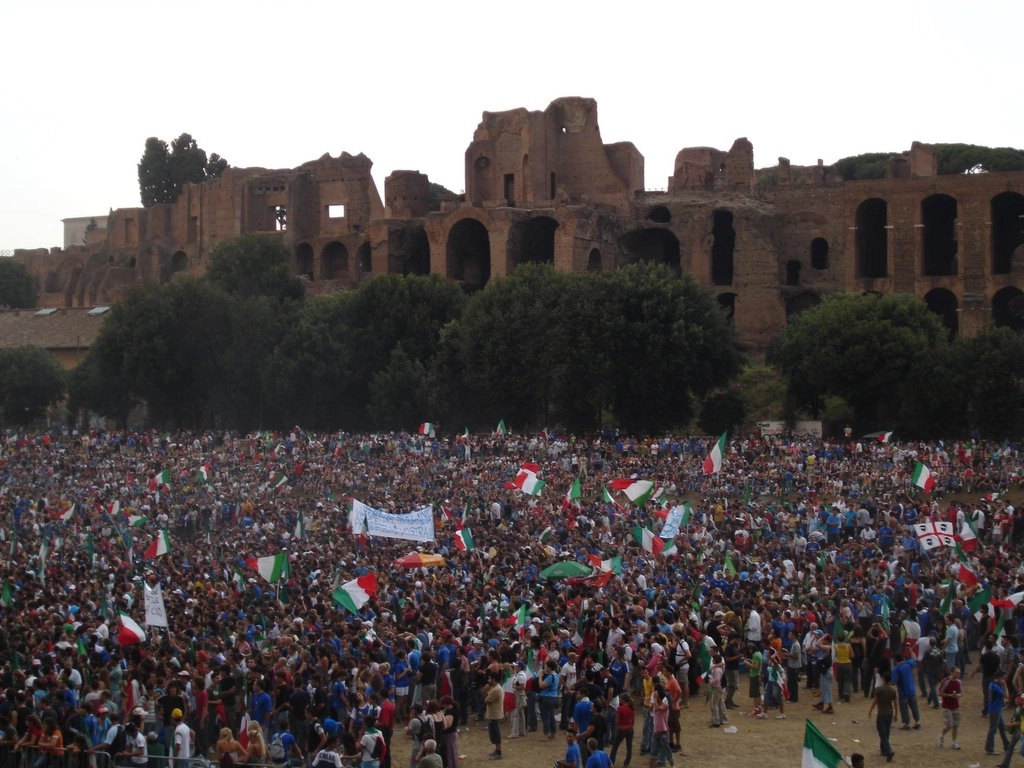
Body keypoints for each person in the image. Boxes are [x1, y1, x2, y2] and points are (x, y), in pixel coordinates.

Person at [868, 666, 897, 763]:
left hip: (881, 713)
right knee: (886, 732)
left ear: (883, 678)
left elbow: (875, 701)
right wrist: (896, 714)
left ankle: (888, 750)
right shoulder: (893, 690)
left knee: (882, 734)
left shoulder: (879, 689)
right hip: (890, 712)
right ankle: (884, 750)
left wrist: (870, 711)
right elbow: (895, 703)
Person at [890, 654, 920, 730]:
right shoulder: (908, 663)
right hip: (912, 689)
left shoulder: (896, 669)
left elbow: (893, 681)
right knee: (914, 707)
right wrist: (910, 650)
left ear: (895, 660)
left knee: (904, 708)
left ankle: (906, 724)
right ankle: (917, 722)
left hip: (903, 691)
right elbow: (914, 659)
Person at [937, 666, 962, 750]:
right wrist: (949, 695)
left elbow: (961, 693)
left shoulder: (958, 682)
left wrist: (957, 696)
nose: (958, 675)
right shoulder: (946, 681)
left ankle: (954, 742)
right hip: (947, 706)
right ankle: (942, 735)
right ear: (952, 673)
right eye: (956, 673)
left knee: (955, 725)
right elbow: (940, 693)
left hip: (955, 706)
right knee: (949, 725)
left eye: (959, 673)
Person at [987, 672, 1011, 756]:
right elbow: (1007, 696)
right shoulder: (996, 686)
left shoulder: (992, 684)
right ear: (999, 677)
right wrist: (1005, 686)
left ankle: (1007, 745)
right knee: (993, 729)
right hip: (995, 709)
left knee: (1001, 727)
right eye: (1003, 678)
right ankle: (990, 748)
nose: (1004, 680)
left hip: (996, 708)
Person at [998, 694, 1024, 768]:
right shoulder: (1018, 707)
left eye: (1018, 699)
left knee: (1022, 751)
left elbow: (1022, 721)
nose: (1016, 701)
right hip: (1018, 730)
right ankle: (1005, 764)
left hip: (1021, 731)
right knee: (1010, 746)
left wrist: (1012, 724)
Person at [609, 692, 634, 768]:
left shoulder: (620, 709)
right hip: (630, 729)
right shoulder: (632, 708)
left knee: (615, 747)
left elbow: (617, 721)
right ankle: (627, 762)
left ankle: (611, 761)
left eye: (620, 699)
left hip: (622, 729)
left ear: (623, 699)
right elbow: (632, 720)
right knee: (629, 746)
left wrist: (617, 728)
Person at [484, 672, 504, 760]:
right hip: (494, 713)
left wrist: (485, 691)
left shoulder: (496, 689)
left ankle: (498, 752)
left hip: (494, 715)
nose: (488, 681)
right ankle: (497, 750)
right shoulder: (496, 688)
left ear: (494, 679)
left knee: (495, 734)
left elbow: (486, 700)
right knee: (494, 733)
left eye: (490, 679)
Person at [538, 661, 560, 741]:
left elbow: (541, 685)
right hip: (553, 697)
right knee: (551, 716)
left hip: (546, 697)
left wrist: (540, 676)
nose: (545, 668)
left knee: (545, 717)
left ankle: (546, 735)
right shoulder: (556, 675)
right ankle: (553, 733)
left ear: (550, 668)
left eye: (546, 666)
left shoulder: (550, 677)